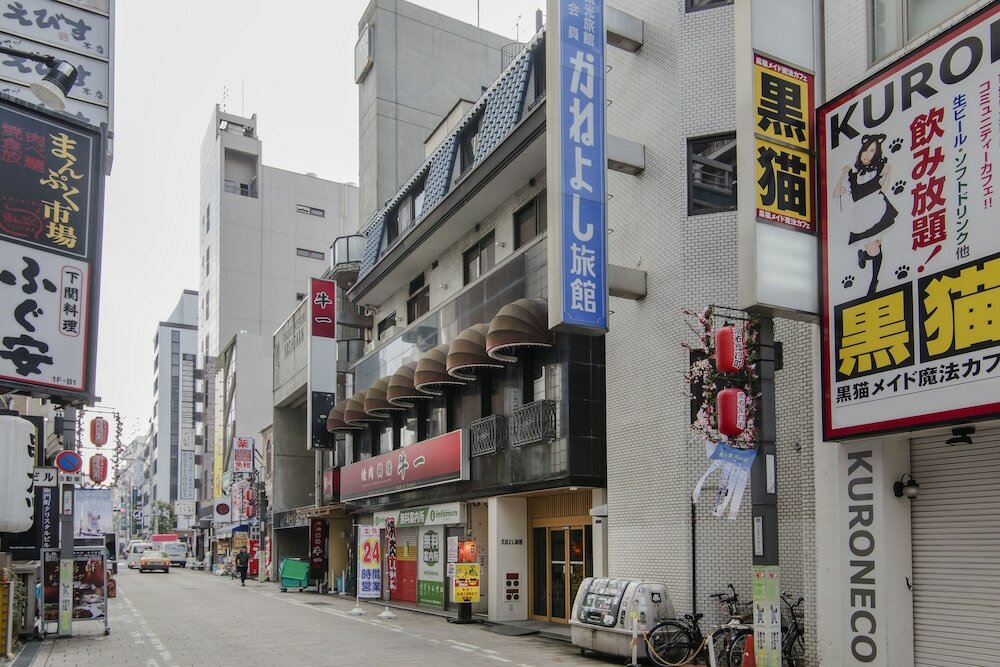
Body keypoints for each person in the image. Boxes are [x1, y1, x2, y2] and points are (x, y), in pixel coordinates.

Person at [832, 133, 898, 296]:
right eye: (866, 150)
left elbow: (883, 189)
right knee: (874, 249)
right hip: (861, 215)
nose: (868, 154)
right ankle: (864, 256)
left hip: (878, 207)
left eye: (872, 151)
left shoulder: (879, 169)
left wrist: (889, 172)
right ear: (861, 151)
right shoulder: (852, 175)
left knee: (878, 245)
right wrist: (841, 175)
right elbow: (836, 195)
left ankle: (874, 280)